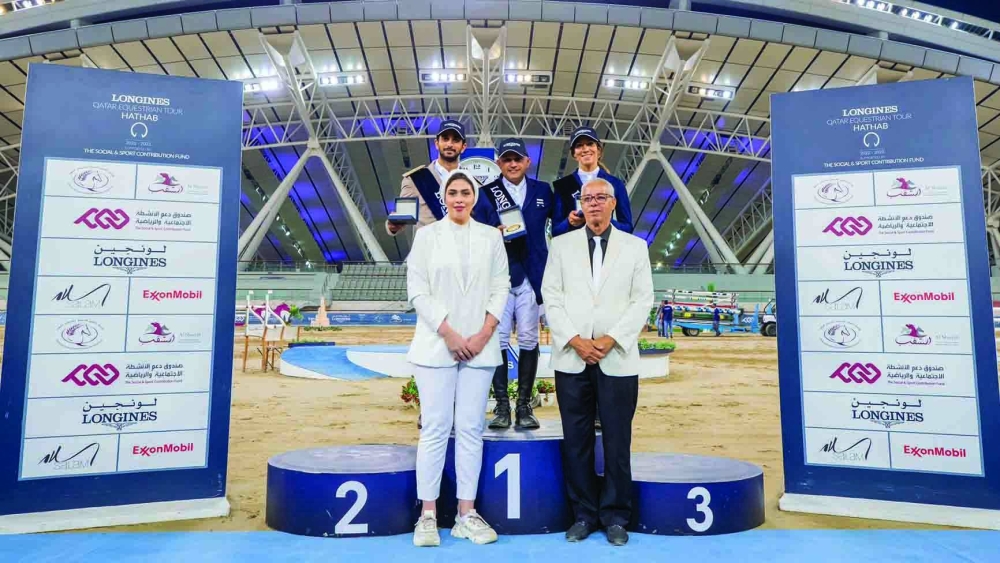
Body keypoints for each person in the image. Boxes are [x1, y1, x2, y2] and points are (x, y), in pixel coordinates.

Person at [541, 178, 654, 547]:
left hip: (617, 358)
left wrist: (609, 340)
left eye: (601, 198)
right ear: (581, 204)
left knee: (618, 442)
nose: (593, 204)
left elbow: (642, 301)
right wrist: (575, 340)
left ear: (613, 204)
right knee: (577, 442)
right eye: (587, 199)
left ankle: (617, 516)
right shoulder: (560, 246)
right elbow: (551, 297)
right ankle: (584, 514)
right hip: (572, 358)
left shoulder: (636, 248)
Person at [405, 169, 511, 547]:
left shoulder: (491, 238)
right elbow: (417, 290)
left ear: (475, 196)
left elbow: (501, 287)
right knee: (434, 429)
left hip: (481, 349)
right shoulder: (426, 237)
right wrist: (449, 333)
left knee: (469, 430)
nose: (460, 198)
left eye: (466, 192)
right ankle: (428, 515)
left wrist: (483, 334)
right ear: (443, 197)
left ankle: (467, 513)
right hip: (436, 347)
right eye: (454, 192)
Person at [472, 138, 554, 430]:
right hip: (500, 278)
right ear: (499, 163)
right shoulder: (485, 194)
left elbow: (559, 227)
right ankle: (502, 407)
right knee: (499, 340)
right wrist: (491, 233)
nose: (513, 164)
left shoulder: (544, 191)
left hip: (533, 277)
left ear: (527, 161)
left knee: (530, 340)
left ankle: (524, 407)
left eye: (517, 158)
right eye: (507, 159)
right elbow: (475, 233)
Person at [386, 119, 468, 237]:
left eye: (455, 140)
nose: (449, 144)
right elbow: (401, 216)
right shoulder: (415, 179)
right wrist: (392, 226)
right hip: (428, 251)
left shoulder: (474, 183)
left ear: (463, 147)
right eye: (445, 139)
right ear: (436, 143)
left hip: (463, 251)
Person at [551, 126, 634, 238]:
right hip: (574, 249)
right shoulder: (563, 185)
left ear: (599, 150)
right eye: (579, 146)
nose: (585, 149)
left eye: (590, 144)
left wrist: (604, 220)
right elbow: (555, 231)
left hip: (606, 249)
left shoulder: (615, 184)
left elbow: (627, 228)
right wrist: (569, 222)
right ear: (574, 154)